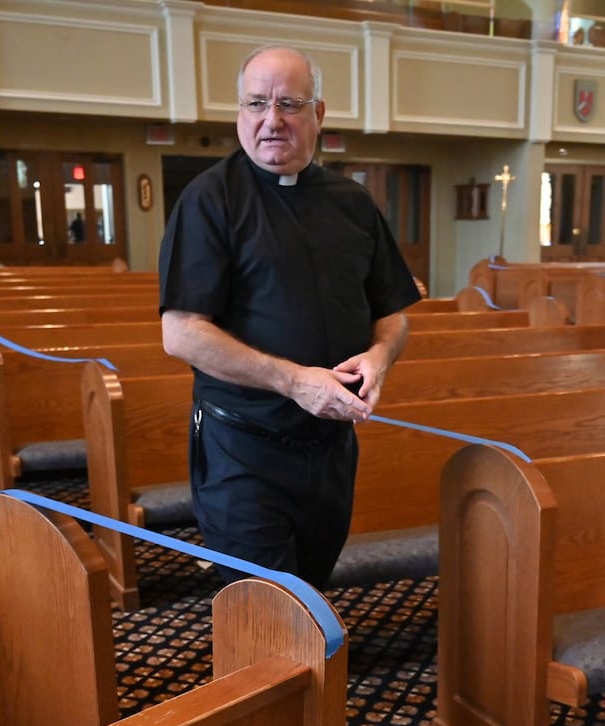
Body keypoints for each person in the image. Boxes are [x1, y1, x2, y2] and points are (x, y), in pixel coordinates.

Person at [157, 45, 421, 586]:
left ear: (318, 114)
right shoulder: (210, 201)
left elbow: (392, 313)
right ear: (239, 113)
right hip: (242, 451)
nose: (271, 120)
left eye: (289, 104)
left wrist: (380, 355)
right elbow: (181, 333)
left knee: (313, 593)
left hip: (329, 450)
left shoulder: (353, 203)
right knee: (269, 611)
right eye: (256, 104)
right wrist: (295, 381)